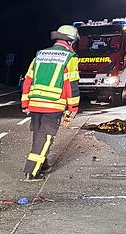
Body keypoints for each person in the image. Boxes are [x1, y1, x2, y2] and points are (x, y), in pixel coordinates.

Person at [20, 24, 81, 181]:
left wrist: (25, 103)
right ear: (71, 41)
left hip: (35, 103)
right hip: (53, 104)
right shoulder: (70, 57)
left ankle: (43, 163)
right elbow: (71, 84)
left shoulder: (40, 54)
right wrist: (73, 107)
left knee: (38, 134)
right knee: (46, 136)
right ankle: (32, 171)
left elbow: (28, 80)